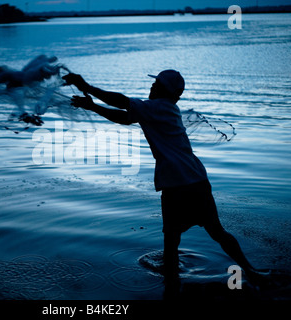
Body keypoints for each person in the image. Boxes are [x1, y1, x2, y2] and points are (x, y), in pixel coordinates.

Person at [62, 70, 268, 294]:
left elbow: (121, 102)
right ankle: (250, 271)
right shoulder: (164, 109)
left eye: (156, 84)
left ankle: (170, 286)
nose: (151, 88)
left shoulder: (158, 107)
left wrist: (87, 87)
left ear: (164, 91)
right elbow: (124, 117)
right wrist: (92, 106)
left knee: (171, 240)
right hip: (197, 179)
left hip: (176, 185)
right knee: (216, 231)